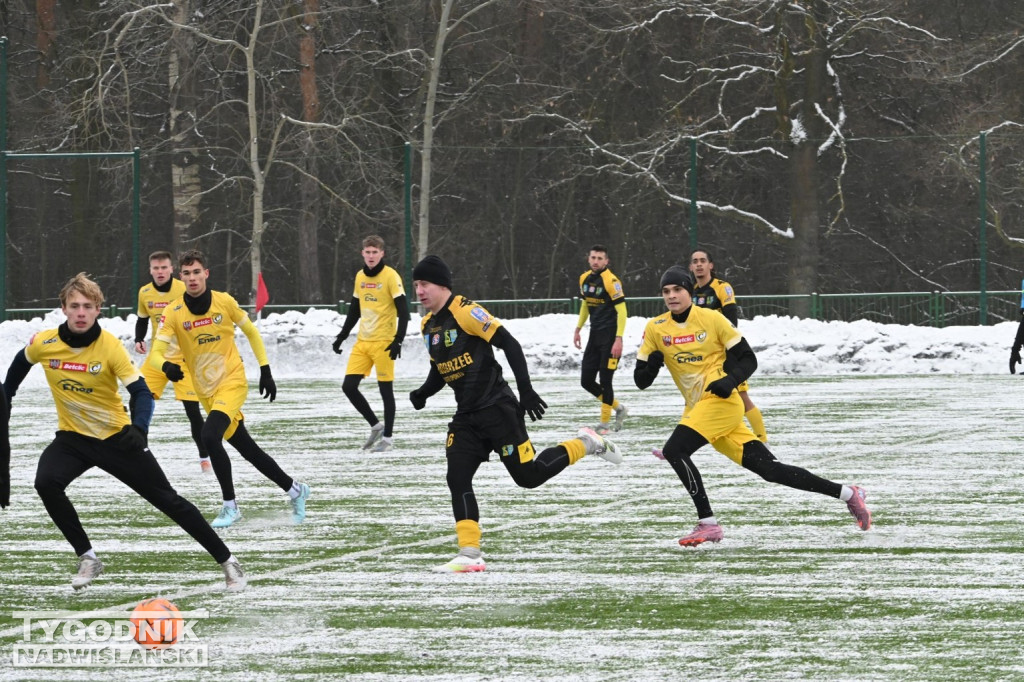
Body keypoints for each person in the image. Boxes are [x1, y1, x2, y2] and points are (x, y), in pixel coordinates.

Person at [0, 273, 245, 591]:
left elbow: (141, 392)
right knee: (46, 482)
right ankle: (88, 558)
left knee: (170, 501)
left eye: (88, 306)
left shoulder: (110, 348)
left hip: (118, 438)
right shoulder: (45, 343)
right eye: (74, 305)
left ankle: (229, 563)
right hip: (73, 440)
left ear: (98, 309)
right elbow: (20, 363)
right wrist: (7, 395)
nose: (81, 312)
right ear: (63, 308)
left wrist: (139, 429)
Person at [409, 255, 622, 573]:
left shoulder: (467, 311)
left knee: (529, 477)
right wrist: (423, 393)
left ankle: (587, 443)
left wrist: (526, 390)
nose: (419, 291)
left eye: (424, 284)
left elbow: (510, 344)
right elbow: (440, 369)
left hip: (498, 409)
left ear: (442, 285)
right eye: (415, 285)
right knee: (457, 476)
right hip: (467, 417)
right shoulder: (429, 325)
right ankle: (470, 554)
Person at [633, 266, 871, 547]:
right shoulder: (656, 328)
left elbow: (748, 359)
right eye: (666, 291)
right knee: (770, 470)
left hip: (721, 403)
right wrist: (654, 362)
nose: (672, 296)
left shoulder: (712, 319)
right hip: (701, 410)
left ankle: (708, 524)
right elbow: (641, 381)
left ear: (690, 292)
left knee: (675, 450)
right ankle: (848, 493)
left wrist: (730, 380)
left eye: (678, 289)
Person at [149, 250, 310, 528]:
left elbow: (251, 332)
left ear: (206, 274)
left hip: (232, 382)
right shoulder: (173, 312)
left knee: (209, 436)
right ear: (181, 277)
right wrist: (165, 366)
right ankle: (295, 489)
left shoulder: (224, 302)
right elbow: (155, 353)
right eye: (186, 273)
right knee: (248, 450)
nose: (192, 278)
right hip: (206, 392)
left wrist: (265, 370)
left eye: (196, 272)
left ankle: (230, 507)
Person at [134, 250, 211, 473]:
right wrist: (139, 338)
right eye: (156, 268)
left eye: (164, 267)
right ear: (150, 270)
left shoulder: (183, 288)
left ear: (171, 270)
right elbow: (142, 318)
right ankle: (139, 453)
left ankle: (204, 457)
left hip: (185, 359)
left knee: (192, 411)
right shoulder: (144, 292)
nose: (160, 272)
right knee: (139, 399)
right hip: (158, 357)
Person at [332, 235, 409, 452]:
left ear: (382, 253)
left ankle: (388, 439)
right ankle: (375, 425)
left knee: (386, 391)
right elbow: (355, 310)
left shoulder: (391, 276)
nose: (371, 256)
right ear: (362, 253)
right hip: (363, 342)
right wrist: (342, 336)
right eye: (368, 252)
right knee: (348, 387)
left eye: (375, 252)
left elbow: (404, 312)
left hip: (384, 342)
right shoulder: (360, 277)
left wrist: (398, 341)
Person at [689, 248, 767, 442]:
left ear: (710, 265)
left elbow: (732, 321)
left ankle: (762, 439)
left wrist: (728, 349)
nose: (699, 264)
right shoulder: (690, 292)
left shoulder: (722, 287)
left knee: (742, 396)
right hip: (705, 354)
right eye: (695, 261)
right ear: (691, 267)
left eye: (702, 261)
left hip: (725, 351)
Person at [573, 244, 628, 434]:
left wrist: (619, 339)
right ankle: (619, 408)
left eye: (600, 258)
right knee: (586, 381)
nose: (596, 261)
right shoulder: (584, 278)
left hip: (611, 337)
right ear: (589, 259)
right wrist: (578, 328)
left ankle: (604, 426)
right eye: (593, 257)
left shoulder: (612, 281)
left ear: (606, 261)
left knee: (606, 380)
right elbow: (585, 305)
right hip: (594, 336)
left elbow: (622, 312)